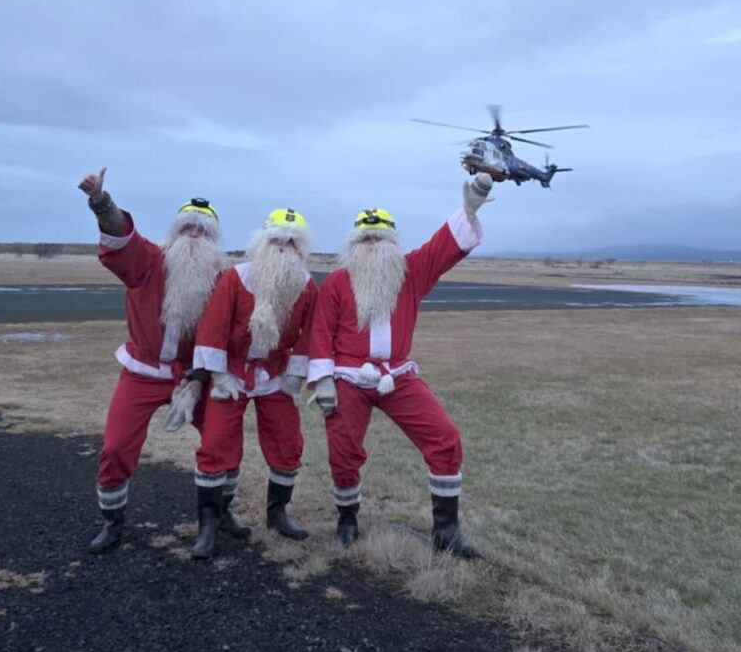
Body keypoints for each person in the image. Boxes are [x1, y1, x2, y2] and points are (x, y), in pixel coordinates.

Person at [307, 174, 494, 558]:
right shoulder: (337, 283)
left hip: (397, 377)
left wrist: (469, 209)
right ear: (353, 245)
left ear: (393, 243)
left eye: (380, 239)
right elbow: (321, 331)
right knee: (343, 451)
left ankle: (446, 531)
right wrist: (322, 380)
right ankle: (347, 520)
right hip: (348, 378)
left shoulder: (411, 272)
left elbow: (443, 248)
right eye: (366, 239)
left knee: (444, 437)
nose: (373, 245)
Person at [78, 167, 248, 554]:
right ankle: (112, 521)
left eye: (203, 230)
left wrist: (202, 377)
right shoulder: (148, 261)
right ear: (174, 231)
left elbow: (231, 331)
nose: (194, 235)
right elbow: (121, 234)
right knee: (116, 446)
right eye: (187, 227)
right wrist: (102, 202)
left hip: (197, 375)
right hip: (143, 371)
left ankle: (221, 512)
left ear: (213, 239)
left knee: (226, 438)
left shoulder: (223, 280)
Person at [190, 208, 317, 559]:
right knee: (216, 443)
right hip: (231, 372)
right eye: (276, 240)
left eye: (291, 243)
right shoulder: (237, 278)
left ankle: (278, 514)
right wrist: (217, 375)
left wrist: (295, 375)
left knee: (287, 443)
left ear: (301, 250)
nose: (282, 248)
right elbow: (214, 326)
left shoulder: (305, 285)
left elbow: (310, 334)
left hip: (275, 375)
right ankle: (211, 523)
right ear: (261, 241)